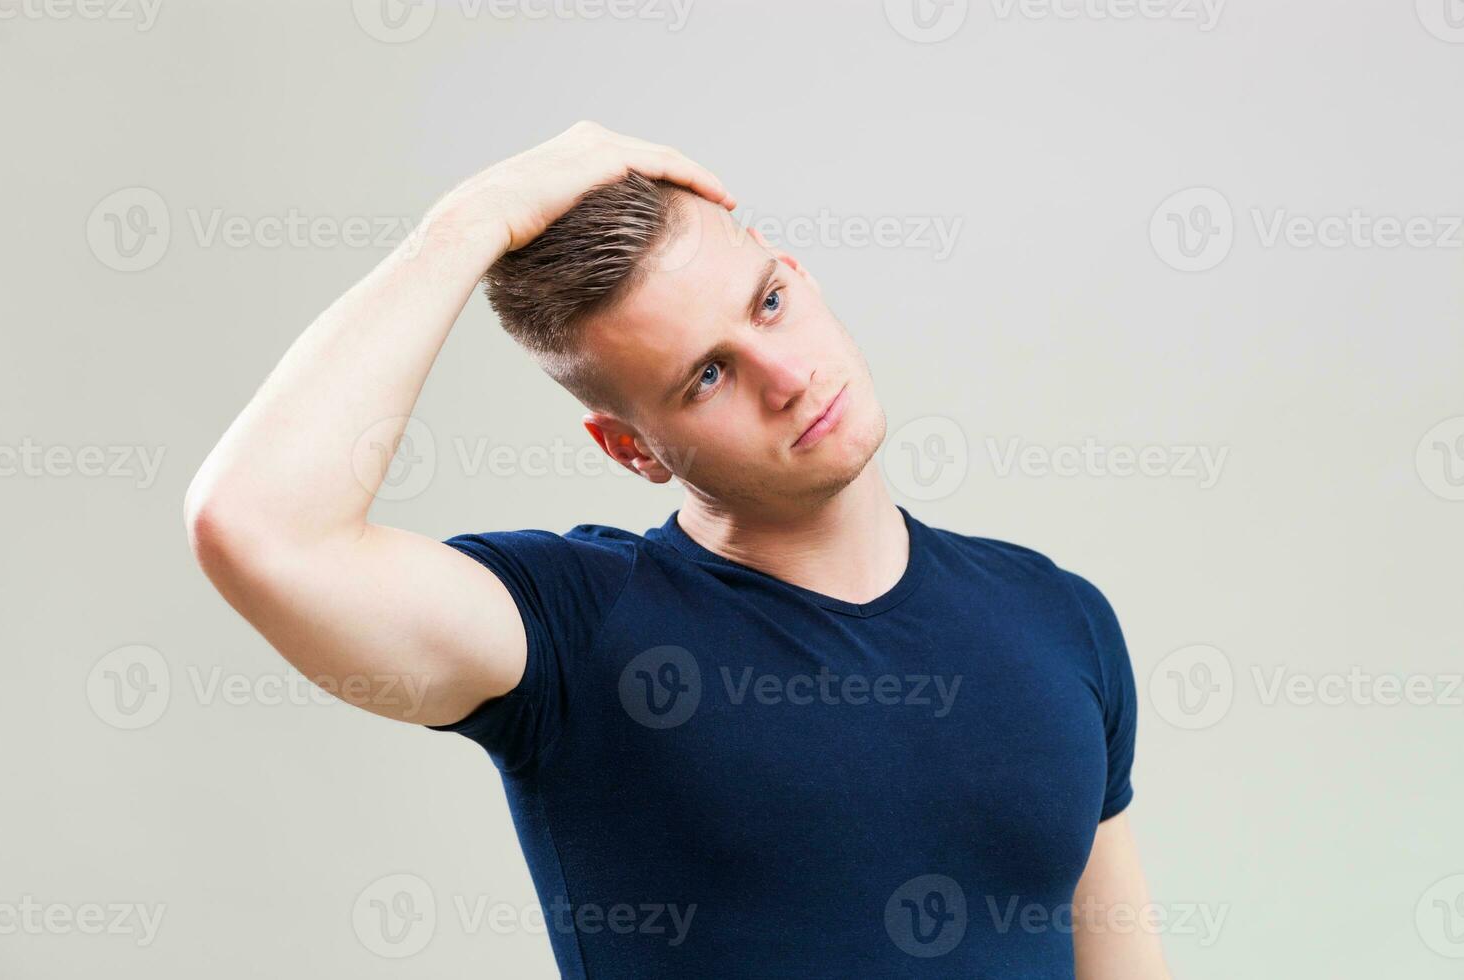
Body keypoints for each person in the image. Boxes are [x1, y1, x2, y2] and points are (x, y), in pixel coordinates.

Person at [184, 121, 1171, 979]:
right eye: (707, 375)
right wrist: (472, 219)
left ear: (801, 273)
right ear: (630, 449)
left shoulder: (1057, 615)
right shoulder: (575, 634)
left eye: (770, 301)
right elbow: (262, 527)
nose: (785, 376)